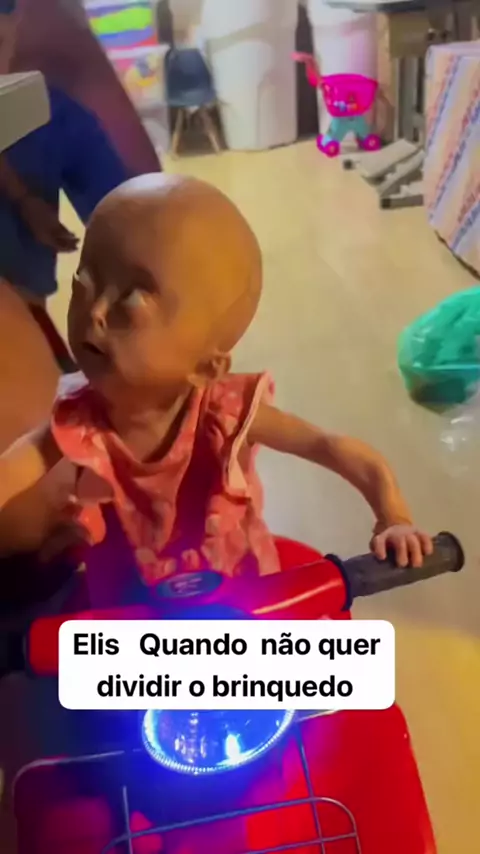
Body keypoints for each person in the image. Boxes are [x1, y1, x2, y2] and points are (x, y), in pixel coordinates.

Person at [0, 174, 433, 602]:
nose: (95, 311)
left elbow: (329, 446)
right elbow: (14, 467)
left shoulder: (226, 410)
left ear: (206, 368)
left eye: (131, 302)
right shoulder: (78, 420)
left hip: (240, 591)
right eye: (84, 283)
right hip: (128, 607)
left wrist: (393, 517)